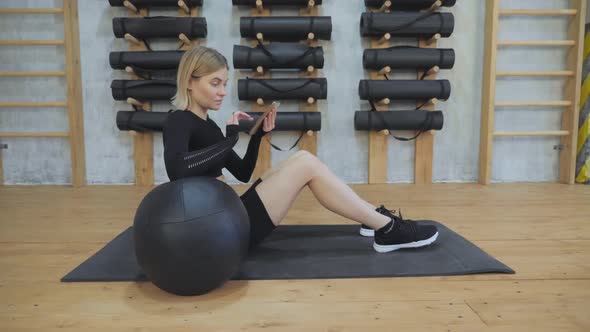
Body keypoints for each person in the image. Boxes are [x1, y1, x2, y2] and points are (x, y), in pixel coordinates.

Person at [162, 46, 438, 253]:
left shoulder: (207, 124)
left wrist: (257, 137)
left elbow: (243, 173)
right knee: (305, 165)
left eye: (224, 83)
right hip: (212, 228)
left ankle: (375, 218)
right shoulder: (178, 120)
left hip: (225, 213)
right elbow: (177, 169)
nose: (222, 91)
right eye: (214, 83)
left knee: (303, 158)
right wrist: (230, 140)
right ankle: (387, 229)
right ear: (189, 81)